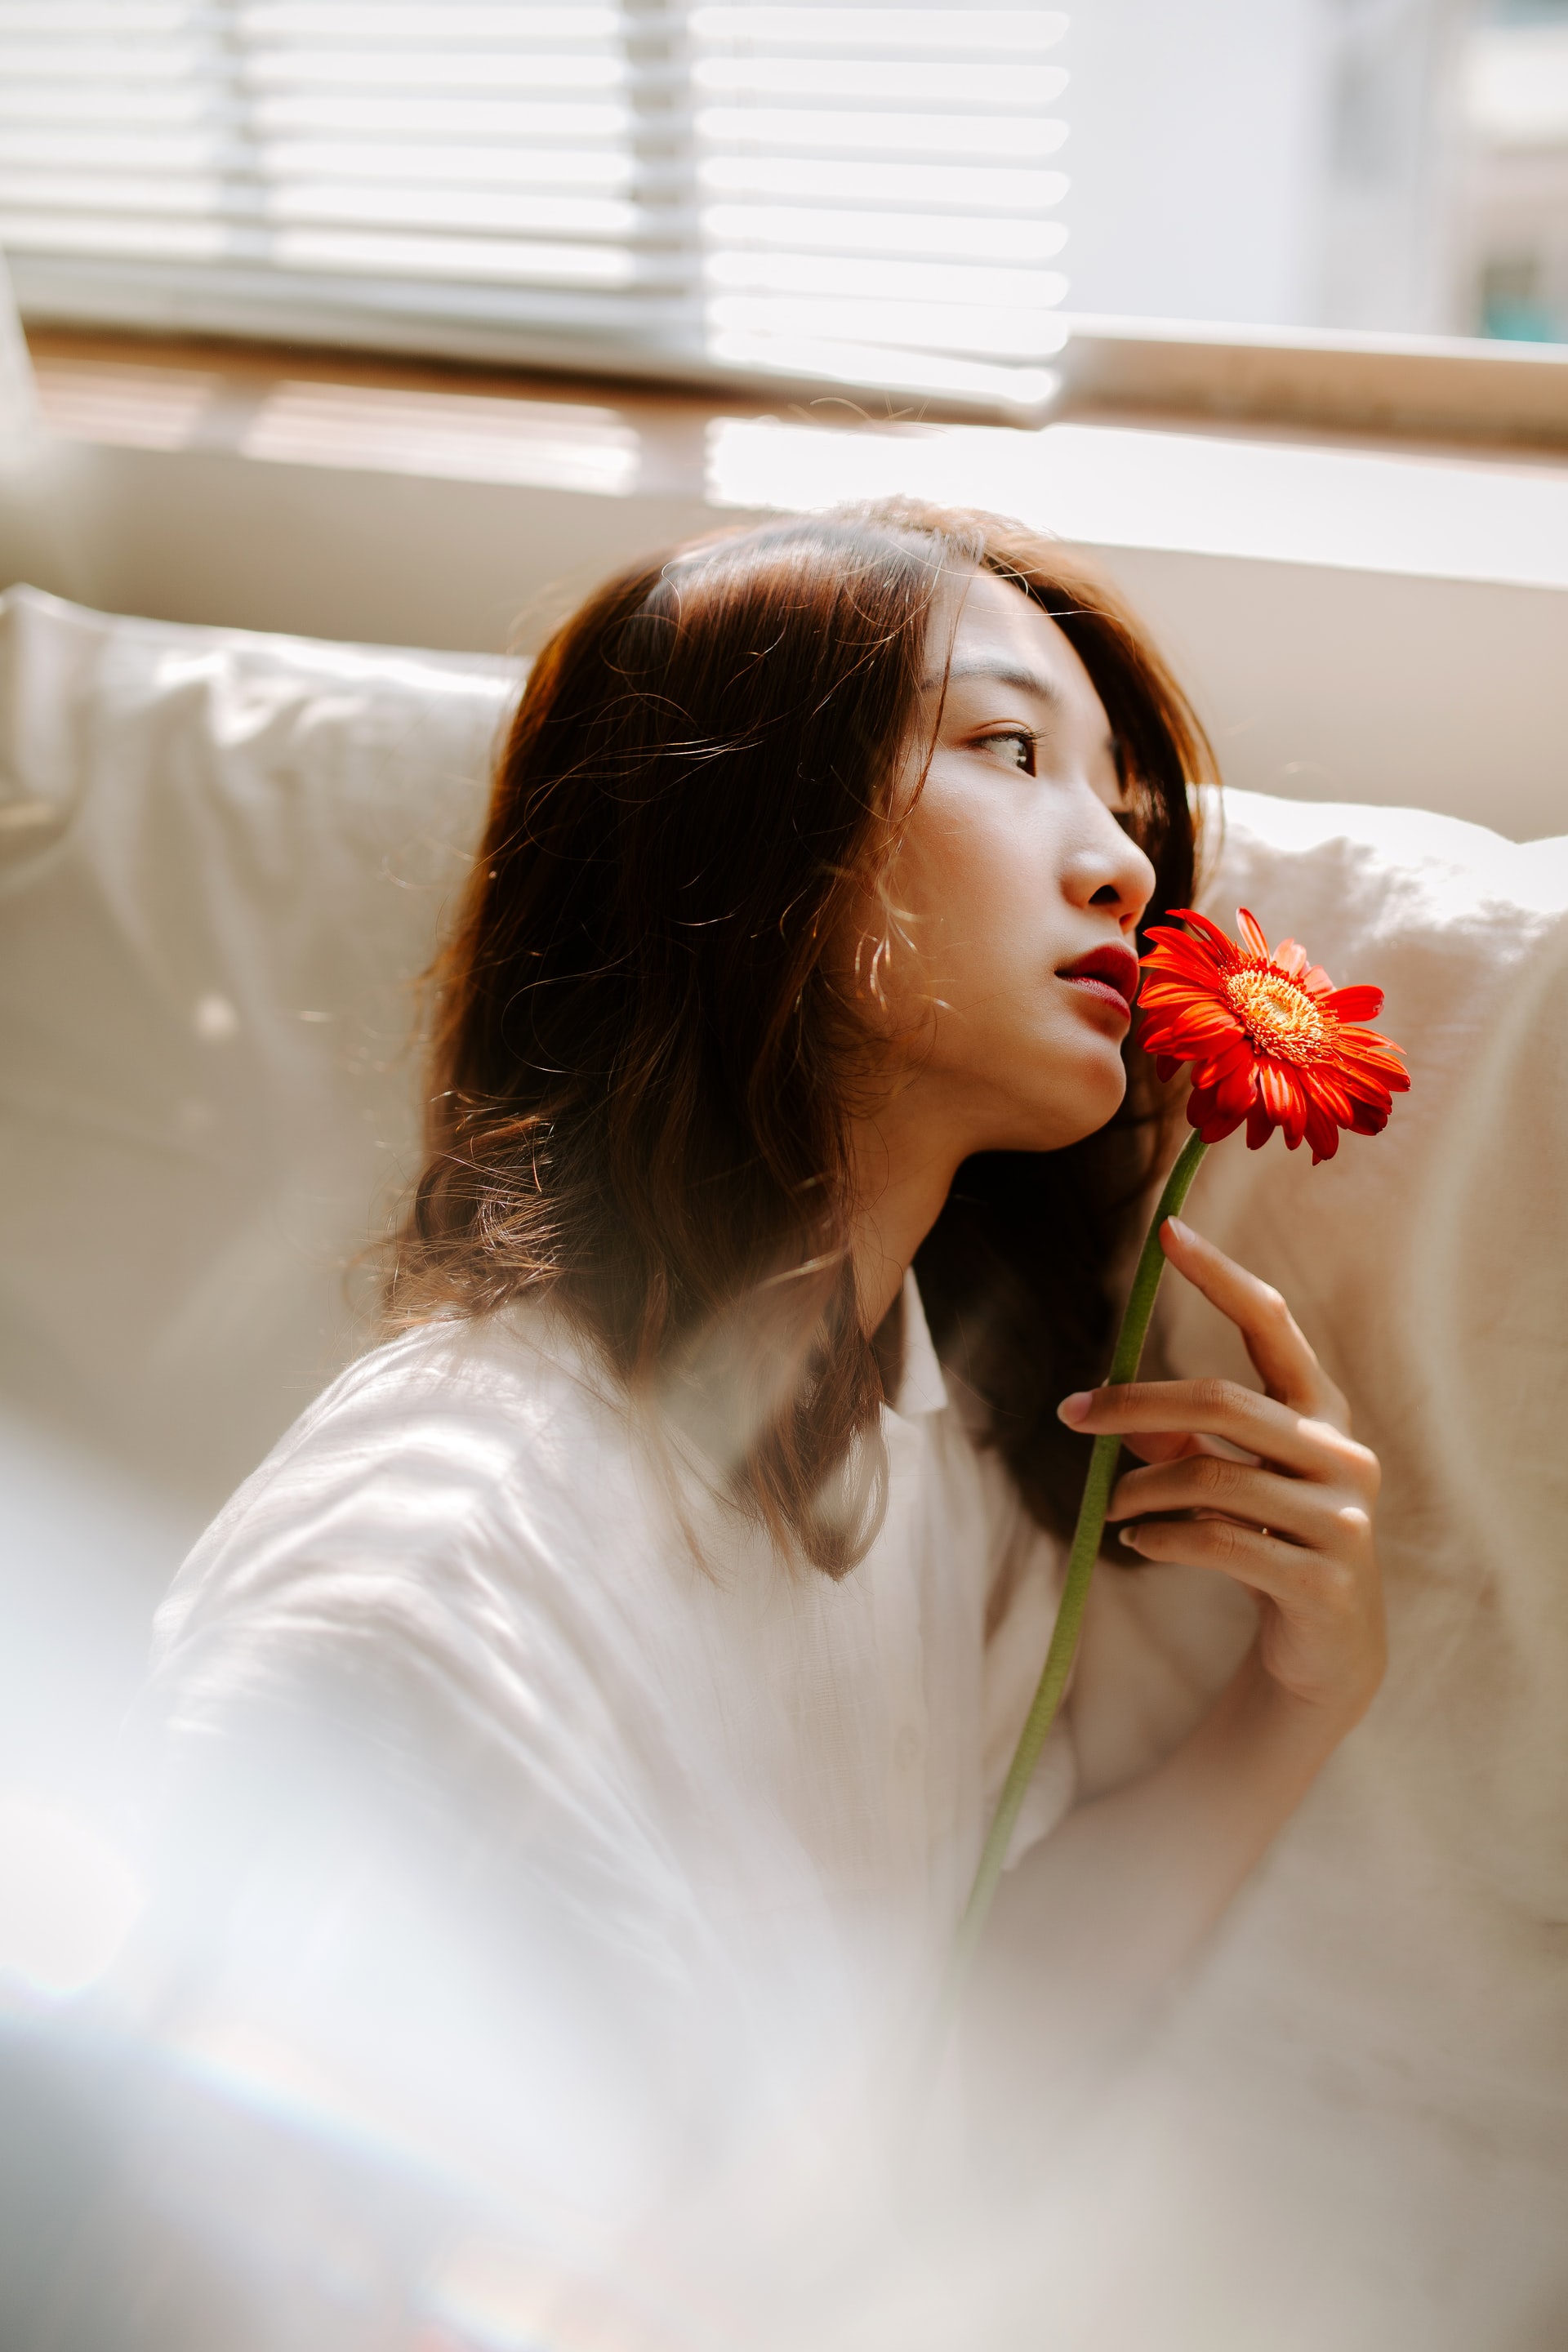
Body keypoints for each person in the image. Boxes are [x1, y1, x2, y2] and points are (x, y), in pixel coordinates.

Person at [123, 501, 1386, 2335]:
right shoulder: (422, 1588)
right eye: (1011, 749)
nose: (1126, 867)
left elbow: (942, 2066)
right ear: (742, 837)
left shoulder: (923, 1440)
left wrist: (1294, 1699)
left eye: (1125, 805)